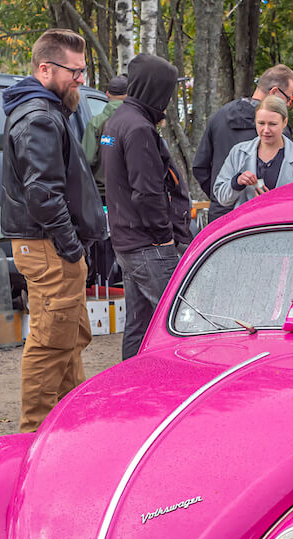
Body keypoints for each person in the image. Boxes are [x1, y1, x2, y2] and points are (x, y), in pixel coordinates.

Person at [1, 28, 107, 433]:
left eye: (83, 70)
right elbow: (43, 194)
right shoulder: (40, 118)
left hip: (52, 246)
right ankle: (34, 435)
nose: (81, 79)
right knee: (50, 343)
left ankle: (67, 428)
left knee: (68, 337)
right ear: (45, 68)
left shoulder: (46, 112)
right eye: (74, 71)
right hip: (49, 247)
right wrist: (71, 247)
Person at [101, 54, 193, 360]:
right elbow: (147, 191)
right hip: (148, 245)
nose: (168, 102)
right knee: (180, 320)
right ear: (156, 91)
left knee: (138, 326)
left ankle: (130, 389)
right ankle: (183, 387)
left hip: (128, 241)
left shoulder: (117, 119)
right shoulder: (139, 128)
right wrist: (164, 235)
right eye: (167, 93)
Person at [192, 65, 293, 222]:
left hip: (220, 218)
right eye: (288, 98)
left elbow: (200, 167)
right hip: (258, 218)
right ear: (274, 92)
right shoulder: (278, 129)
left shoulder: (219, 117)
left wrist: (221, 197)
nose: (288, 105)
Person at [212, 95, 293, 211]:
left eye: (272, 124)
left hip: (284, 227)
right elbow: (221, 197)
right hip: (246, 227)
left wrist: (273, 202)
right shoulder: (238, 153)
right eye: (261, 123)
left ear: (284, 122)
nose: (266, 130)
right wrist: (236, 183)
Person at [81, 73, 127, 196]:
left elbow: (88, 160)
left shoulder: (95, 123)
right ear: (128, 95)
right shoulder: (137, 122)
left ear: (107, 94)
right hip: (128, 193)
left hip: (102, 193)